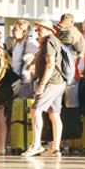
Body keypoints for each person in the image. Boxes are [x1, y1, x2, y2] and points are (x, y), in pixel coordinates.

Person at [20, 20, 64, 157]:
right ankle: (56, 148)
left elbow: (50, 64)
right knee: (54, 114)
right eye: (37, 29)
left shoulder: (49, 42)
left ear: (49, 29)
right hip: (59, 82)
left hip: (51, 82)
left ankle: (36, 145)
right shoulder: (52, 41)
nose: (37, 32)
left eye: (40, 29)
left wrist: (42, 83)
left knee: (35, 110)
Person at [10, 19, 39, 97]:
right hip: (16, 80)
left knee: (24, 105)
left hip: (26, 82)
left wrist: (32, 64)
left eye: (15, 29)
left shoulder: (30, 42)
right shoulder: (17, 43)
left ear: (23, 31)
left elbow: (40, 53)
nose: (12, 31)